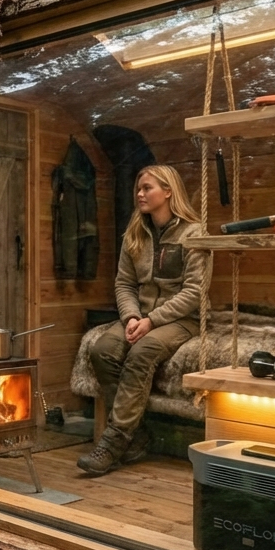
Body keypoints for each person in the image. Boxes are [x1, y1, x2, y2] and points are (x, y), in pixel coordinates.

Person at [77, 165, 212, 476]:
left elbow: (194, 292)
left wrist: (151, 321)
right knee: (103, 349)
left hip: (182, 318)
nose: (140, 194)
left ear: (168, 192)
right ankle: (136, 437)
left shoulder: (194, 233)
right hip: (141, 315)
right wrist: (132, 316)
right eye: (138, 188)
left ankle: (114, 441)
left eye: (147, 188)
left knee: (142, 353)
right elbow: (124, 283)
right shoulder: (135, 233)